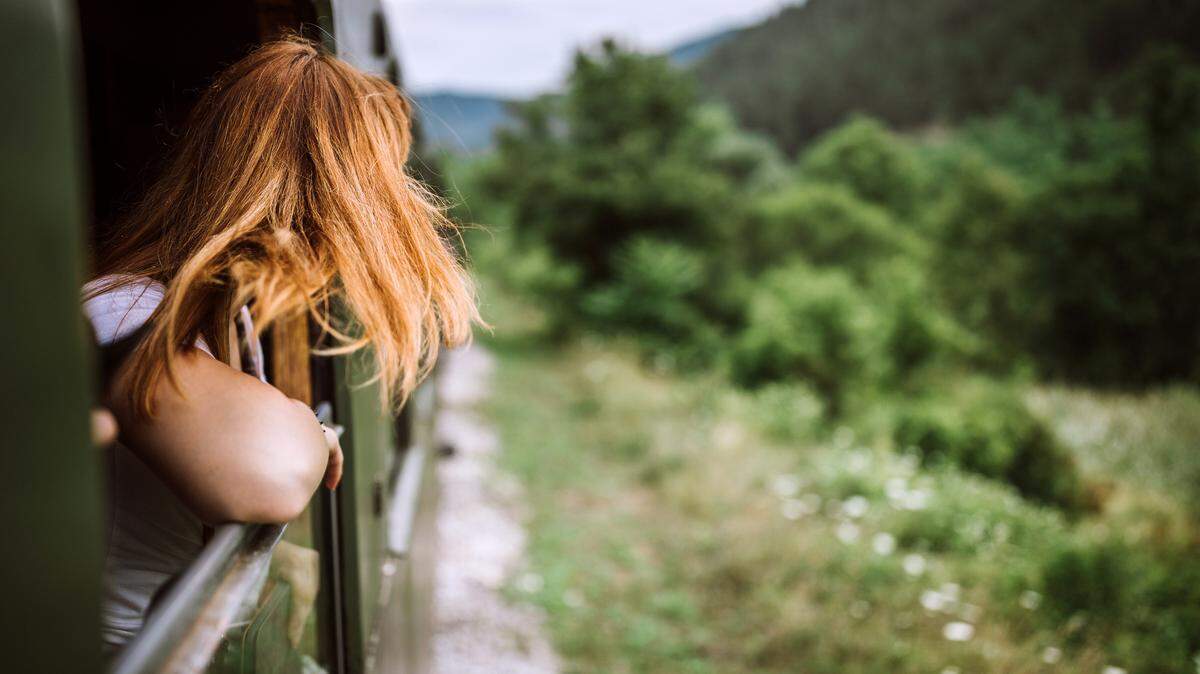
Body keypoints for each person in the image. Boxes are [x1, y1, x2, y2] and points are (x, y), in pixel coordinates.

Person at [83, 37, 479, 649]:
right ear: (324, 193)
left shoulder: (223, 322)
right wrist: (312, 432)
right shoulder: (125, 309)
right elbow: (271, 476)